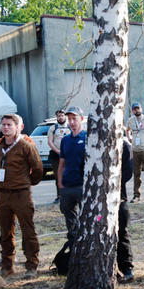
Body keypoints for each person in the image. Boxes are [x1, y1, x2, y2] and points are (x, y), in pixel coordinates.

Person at [0, 113, 43, 278]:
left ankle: (31, 265)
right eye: (4, 125)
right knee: (5, 232)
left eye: (9, 125)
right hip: (3, 194)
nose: (6, 128)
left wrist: (26, 183)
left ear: (17, 127)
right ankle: (7, 265)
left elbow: (38, 168)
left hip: (21, 194)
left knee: (28, 231)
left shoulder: (26, 146)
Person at [58, 106, 87, 249]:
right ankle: (73, 248)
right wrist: (60, 184)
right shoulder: (65, 140)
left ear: (81, 119)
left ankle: (85, 246)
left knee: (86, 218)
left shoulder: (88, 137)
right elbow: (62, 164)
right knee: (70, 220)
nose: (71, 122)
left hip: (82, 185)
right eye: (69, 119)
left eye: (74, 118)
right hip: (67, 187)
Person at [117, 139, 135, 282]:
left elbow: (128, 171)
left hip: (119, 199)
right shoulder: (93, 141)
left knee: (122, 232)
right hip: (99, 204)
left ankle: (127, 268)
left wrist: (112, 183)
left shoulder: (123, 145)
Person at [47, 109, 70, 203]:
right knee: (58, 176)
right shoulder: (53, 128)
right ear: (56, 117)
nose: (60, 117)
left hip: (69, 155)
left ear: (65, 116)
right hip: (56, 155)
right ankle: (60, 196)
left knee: (70, 175)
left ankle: (69, 195)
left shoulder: (70, 127)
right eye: (59, 116)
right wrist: (58, 152)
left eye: (62, 115)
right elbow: (50, 142)